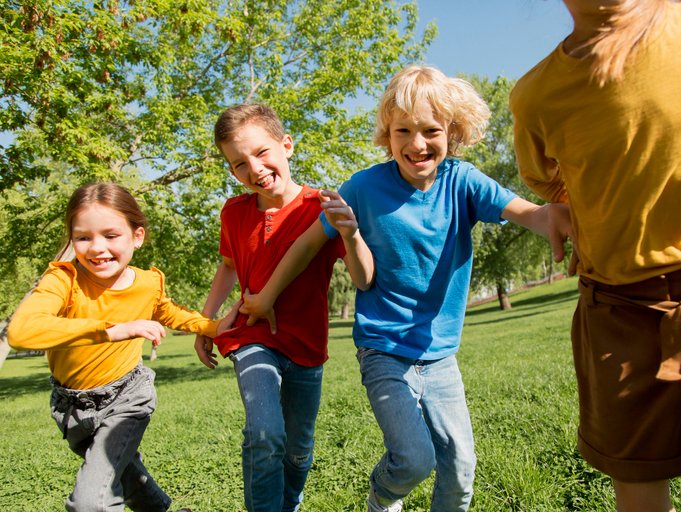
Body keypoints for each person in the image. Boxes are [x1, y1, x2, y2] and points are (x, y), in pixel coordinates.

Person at [238, 65, 574, 512]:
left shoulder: (463, 181)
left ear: (451, 132)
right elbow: (305, 245)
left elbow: (526, 212)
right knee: (415, 460)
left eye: (431, 130)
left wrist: (553, 215)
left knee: (460, 470)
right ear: (387, 134)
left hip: (439, 354)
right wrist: (266, 297)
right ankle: (382, 496)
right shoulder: (363, 187)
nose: (417, 144)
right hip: (383, 349)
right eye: (403, 131)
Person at [509, 1, 681, 510]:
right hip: (617, 314)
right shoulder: (537, 95)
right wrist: (575, 207)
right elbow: (549, 179)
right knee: (640, 487)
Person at [7, 182, 237, 512]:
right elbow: (22, 330)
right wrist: (112, 330)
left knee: (91, 503)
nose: (96, 248)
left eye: (111, 235)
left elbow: (168, 311)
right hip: (71, 408)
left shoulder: (147, 283)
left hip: (127, 398)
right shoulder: (63, 280)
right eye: (83, 237)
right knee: (128, 475)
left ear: (137, 237)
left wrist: (212, 327)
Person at [192, 103, 374, 512]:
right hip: (252, 335)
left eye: (261, 153)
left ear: (286, 145)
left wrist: (352, 234)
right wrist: (207, 322)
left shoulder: (321, 207)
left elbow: (363, 278)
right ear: (231, 171)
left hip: (307, 345)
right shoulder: (233, 212)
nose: (253, 169)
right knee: (265, 433)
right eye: (239, 163)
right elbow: (227, 268)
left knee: (298, 448)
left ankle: (289, 503)